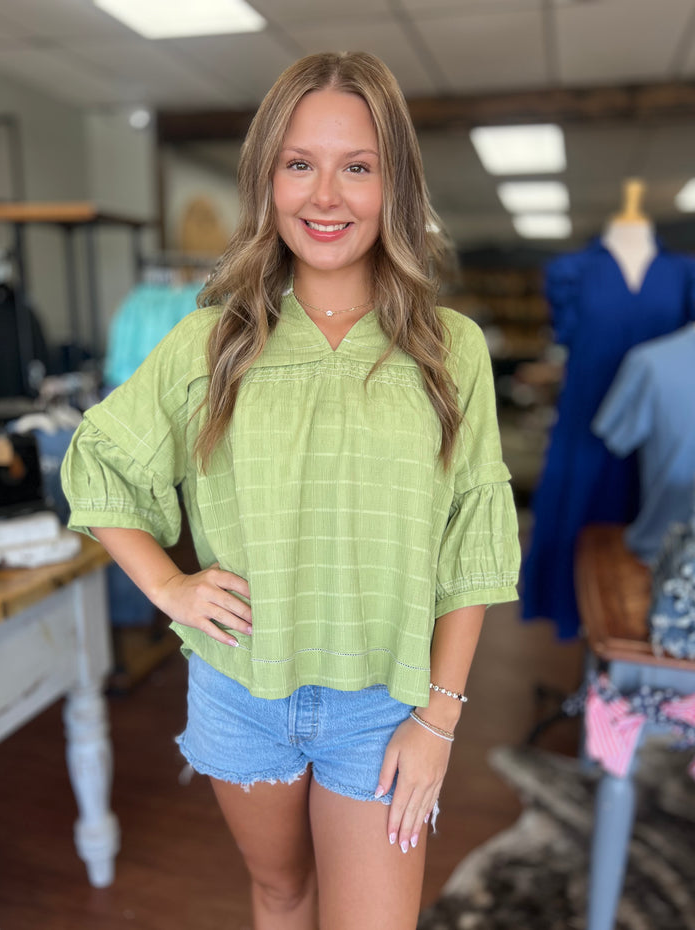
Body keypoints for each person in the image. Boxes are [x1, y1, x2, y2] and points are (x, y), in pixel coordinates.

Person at [61, 51, 520, 930]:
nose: (326, 196)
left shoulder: (449, 348)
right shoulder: (210, 341)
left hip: (384, 700)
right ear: (266, 180)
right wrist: (169, 585)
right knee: (280, 894)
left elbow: (473, 539)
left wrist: (439, 720)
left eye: (359, 167)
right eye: (299, 163)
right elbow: (99, 460)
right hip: (242, 689)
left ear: (395, 184)